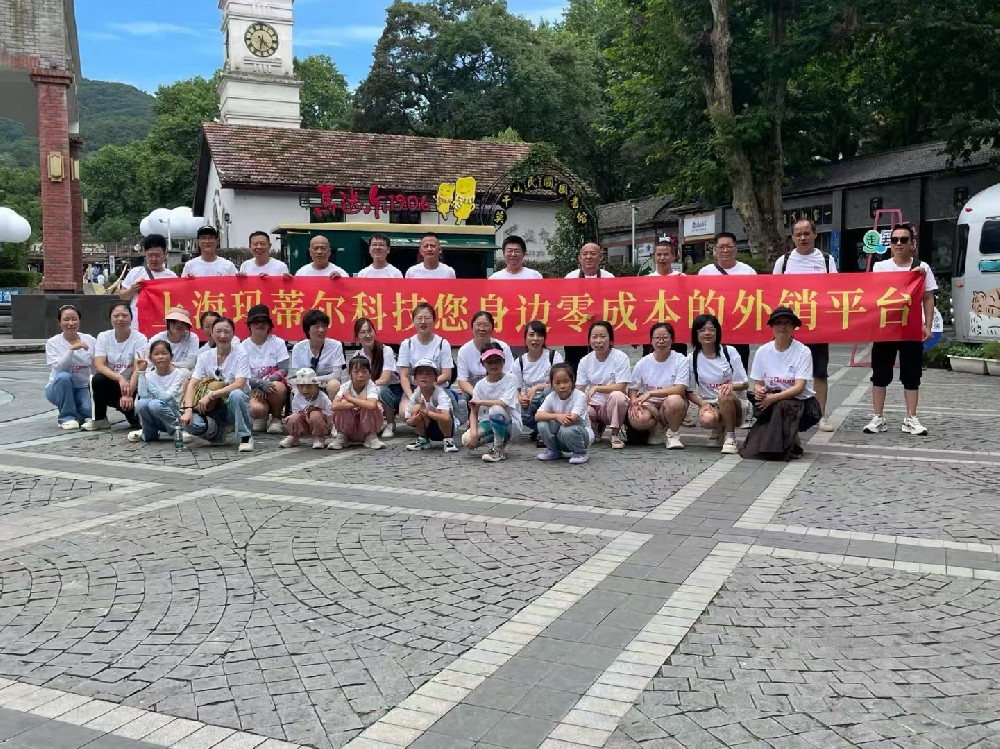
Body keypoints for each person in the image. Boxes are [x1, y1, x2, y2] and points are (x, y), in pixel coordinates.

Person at [864, 223, 936, 436]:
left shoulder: (922, 267)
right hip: (885, 328)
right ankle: (878, 417)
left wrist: (928, 325)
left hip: (910, 328)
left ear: (912, 243)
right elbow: (872, 294)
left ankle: (911, 418)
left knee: (912, 375)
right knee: (880, 374)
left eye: (903, 240)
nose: (898, 243)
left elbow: (928, 297)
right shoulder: (880, 267)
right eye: (894, 240)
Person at [770, 218, 836, 432]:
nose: (803, 238)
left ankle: (820, 416)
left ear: (815, 234)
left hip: (818, 325)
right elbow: (773, 291)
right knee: (785, 370)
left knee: (820, 371)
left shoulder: (827, 260)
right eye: (798, 234)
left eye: (807, 233)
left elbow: (836, 290)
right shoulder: (784, 261)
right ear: (792, 237)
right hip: (788, 326)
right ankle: (786, 412)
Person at [741, 307, 820, 461]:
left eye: (787, 323)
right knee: (752, 449)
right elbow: (757, 383)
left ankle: (788, 441)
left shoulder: (803, 351)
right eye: (778, 323)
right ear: (772, 326)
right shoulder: (762, 351)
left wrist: (772, 399)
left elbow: (799, 387)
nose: (783, 327)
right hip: (770, 402)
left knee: (782, 406)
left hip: (800, 404)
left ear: (793, 327)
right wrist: (759, 391)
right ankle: (784, 440)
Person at [180, 316, 254, 452]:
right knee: (188, 423)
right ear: (212, 333)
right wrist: (188, 410)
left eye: (227, 331)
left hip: (232, 406)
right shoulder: (204, 356)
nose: (223, 336)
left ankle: (245, 437)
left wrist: (211, 395)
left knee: (237, 394)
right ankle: (216, 433)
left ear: (233, 334)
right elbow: (193, 384)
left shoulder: (241, 355)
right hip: (211, 408)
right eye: (218, 331)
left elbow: (239, 384)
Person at [686, 314, 747, 455]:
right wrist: (703, 403)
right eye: (702, 330)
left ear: (717, 332)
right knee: (707, 420)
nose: (707, 333)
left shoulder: (729, 352)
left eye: (711, 329)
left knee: (723, 394)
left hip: (734, 401)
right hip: (710, 403)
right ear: (696, 334)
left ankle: (730, 436)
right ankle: (719, 428)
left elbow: (744, 384)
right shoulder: (692, 358)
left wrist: (731, 387)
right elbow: (688, 391)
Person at [627, 322, 689, 449]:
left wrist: (651, 393)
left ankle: (673, 434)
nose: (661, 341)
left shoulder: (680, 360)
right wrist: (634, 403)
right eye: (657, 338)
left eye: (665, 338)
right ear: (651, 340)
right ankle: (657, 427)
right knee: (638, 418)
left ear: (672, 340)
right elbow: (633, 388)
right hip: (650, 404)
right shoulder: (643, 362)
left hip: (671, 403)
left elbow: (680, 389)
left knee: (675, 400)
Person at [87, 302, 148, 431]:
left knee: (136, 421)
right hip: (114, 383)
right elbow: (99, 365)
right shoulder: (103, 337)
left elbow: (139, 367)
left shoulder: (140, 338)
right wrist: (119, 378)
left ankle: (130, 411)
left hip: (133, 384)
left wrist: (128, 393)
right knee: (96, 380)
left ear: (131, 318)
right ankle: (99, 419)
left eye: (124, 316)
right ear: (110, 318)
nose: (120, 319)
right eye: (116, 316)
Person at [697, 232, 753, 371]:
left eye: (729, 246)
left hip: (739, 330)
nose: (725, 250)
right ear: (715, 249)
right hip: (712, 330)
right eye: (721, 247)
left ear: (736, 249)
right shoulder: (704, 272)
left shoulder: (748, 272)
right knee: (712, 368)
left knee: (739, 369)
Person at [461, 346, 522, 462]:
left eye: (497, 361)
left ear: (503, 361)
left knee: (496, 409)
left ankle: (498, 449)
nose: (494, 365)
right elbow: (473, 411)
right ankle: (497, 441)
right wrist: (473, 435)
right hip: (488, 421)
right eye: (490, 362)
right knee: (466, 439)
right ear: (483, 364)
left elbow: (503, 403)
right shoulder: (480, 385)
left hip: (510, 422)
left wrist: (481, 402)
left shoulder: (511, 379)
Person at [576, 320, 631, 449]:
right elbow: (580, 388)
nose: (598, 341)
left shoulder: (620, 357)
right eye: (594, 337)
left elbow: (621, 386)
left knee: (618, 396)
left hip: (610, 406)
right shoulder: (585, 361)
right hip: (593, 405)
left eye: (602, 336)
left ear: (610, 340)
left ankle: (615, 433)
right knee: (579, 401)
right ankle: (595, 427)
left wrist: (597, 388)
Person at [564, 242, 616, 372]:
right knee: (574, 365)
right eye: (585, 254)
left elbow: (615, 304)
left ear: (600, 257)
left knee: (603, 364)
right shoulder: (570, 278)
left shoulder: (609, 278)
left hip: (601, 331)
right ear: (579, 258)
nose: (588, 257)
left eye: (593, 254)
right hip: (576, 330)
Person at [129, 339, 190, 443]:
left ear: (171, 356)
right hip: (156, 416)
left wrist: (149, 385)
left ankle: (177, 432)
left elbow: (166, 397)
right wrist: (142, 372)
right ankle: (149, 433)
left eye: (164, 353)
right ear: (150, 359)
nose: (160, 357)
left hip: (175, 414)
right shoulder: (149, 375)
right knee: (141, 403)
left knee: (155, 404)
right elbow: (143, 395)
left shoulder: (179, 374)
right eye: (156, 354)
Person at [45, 305, 95, 430]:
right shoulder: (52, 343)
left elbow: (95, 366)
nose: (71, 323)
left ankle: (78, 413)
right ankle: (66, 418)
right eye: (66, 319)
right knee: (64, 377)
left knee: (88, 411)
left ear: (79, 320)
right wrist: (71, 350)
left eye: (74, 319)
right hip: (59, 387)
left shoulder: (90, 340)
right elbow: (60, 368)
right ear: (59, 322)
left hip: (82, 387)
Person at [241, 304, 289, 434]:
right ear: (249, 325)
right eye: (256, 322)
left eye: (264, 321)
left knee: (277, 387)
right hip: (253, 387)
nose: (260, 325)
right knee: (257, 409)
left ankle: (276, 418)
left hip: (273, 384)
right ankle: (260, 417)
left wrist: (268, 380)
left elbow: (284, 369)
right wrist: (260, 384)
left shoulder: (278, 342)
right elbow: (242, 376)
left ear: (269, 324)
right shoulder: (242, 347)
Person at [514, 320, 563, 442]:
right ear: (525, 338)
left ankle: (545, 431)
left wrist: (536, 388)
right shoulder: (519, 362)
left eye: (539, 335)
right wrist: (520, 398)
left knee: (547, 393)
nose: (535, 339)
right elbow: (515, 388)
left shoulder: (554, 357)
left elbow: (559, 382)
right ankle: (544, 430)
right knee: (516, 410)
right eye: (531, 335)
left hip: (551, 399)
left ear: (544, 338)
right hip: (531, 402)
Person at [536, 363, 593, 464]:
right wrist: (556, 416)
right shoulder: (551, 396)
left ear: (573, 381)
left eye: (566, 381)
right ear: (551, 384)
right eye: (557, 383)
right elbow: (537, 416)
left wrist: (555, 416)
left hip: (581, 435)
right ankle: (553, 450)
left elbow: (572, 418)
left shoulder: (580, 396)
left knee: (566, 428)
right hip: (561, 435)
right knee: (542, 424)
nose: (562, 386)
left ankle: (580, 453)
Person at [354, 317, 402, 438]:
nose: (367, 335)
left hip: (392, 392)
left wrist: (367, 388)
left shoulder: (386, 351)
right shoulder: (357, 355)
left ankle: (390, 424)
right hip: (369, 392)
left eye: (370, 331)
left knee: (380, 389)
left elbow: (385, 379)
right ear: (357, 336)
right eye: (363, 332)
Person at [396, 302, 454, 401]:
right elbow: (404, 376)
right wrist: (412, 397)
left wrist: (426, 386)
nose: (423, 322)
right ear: (413, 321)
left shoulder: (442, 344)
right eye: (419, 318)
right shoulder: (407, 344)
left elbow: (446, 375)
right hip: (413, 389)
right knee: (405, 409)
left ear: (434, 321)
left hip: (438, 388)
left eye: (427, 318)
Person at [118, 234, 177, 331]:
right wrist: (131, 291)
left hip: (162, 326)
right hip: (138, 327)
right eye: (150, 255)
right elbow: (122, 296)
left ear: (164, 254)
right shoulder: (136, 272)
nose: (153, 259)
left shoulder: (172, 277)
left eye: (157, 255)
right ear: (145, 254)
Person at [328, 355, 386, 450]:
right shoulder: (345, 386)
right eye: (356, 372)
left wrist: (350, 398)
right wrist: (359, 402)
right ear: (350, 373)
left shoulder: (371, 386)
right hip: (349, 428)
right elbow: (334, 406)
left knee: (375, 406)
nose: (360, 375)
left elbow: (371, 405)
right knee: (342, 404)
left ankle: (371, 437)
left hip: (365, 428)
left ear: (369, 373)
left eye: (364, 372)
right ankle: (342, 436)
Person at [456, 311, 514, 400]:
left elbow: (509, 374)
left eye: (486, 325)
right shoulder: (464, 350)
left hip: (500, 392)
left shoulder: (503, 347)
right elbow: (462, 380)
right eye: (478, 325)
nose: (482, 329)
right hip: (474, 393)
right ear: (472, 327)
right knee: (461, 399)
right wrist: (477, 395)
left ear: (492, 328)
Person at [404, 358, 459, 452]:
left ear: (435, 378)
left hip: (446, 428)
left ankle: (448, 440)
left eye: (428, 374)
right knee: (415, 408)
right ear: (415, 378)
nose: (424, 377)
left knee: (437, 410)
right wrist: (416, 417)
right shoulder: (415, 396)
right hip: (427, 427)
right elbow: (408, 420)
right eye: (420, 373)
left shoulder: (440, 394)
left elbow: (446, 417)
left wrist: (426, 412)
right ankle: (423, 439)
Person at [289, 309, 345, 400]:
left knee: (334, 384)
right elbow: (295, 375)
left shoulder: (336, 345)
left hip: (326, 384)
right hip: (305, 385)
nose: (321, 330)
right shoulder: (298, 348)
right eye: (316, 327)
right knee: (296, 389)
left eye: (324, 326)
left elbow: (336, 375)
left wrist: (313, 380)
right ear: (308, 330)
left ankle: (332, 409)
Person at [281, 368, 332, 450]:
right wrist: (304, 413)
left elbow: (330, 413)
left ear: (316, 386)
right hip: (305, 424)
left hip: (320, 424)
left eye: (309, 386)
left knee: (315, 414)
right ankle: (294, 436)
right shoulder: (297, 397)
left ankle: (319, 437)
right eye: (301, 386)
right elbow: (295, 412)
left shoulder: (322, 397)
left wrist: (318, 410)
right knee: (293, 417)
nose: (305, 390)